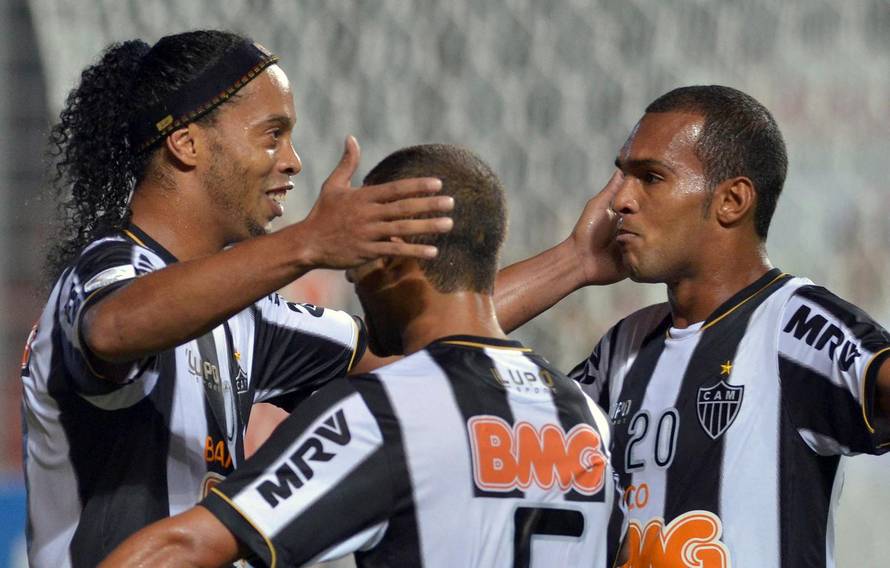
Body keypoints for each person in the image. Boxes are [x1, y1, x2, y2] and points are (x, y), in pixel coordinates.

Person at [20, 30, 455, 567]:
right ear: (187, 144)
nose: (293, 161)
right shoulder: (105, 270)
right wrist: (308, 243)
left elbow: (432, 338)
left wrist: (557, 266)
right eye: (273, 135)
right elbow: (114, 328)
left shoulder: (247, 317)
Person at [101, 144, 623, 568]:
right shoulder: (586, 416)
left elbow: (184, 548)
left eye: (362, 256)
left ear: (394, 257)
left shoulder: (384, 413)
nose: (352, 276)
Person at [495, 85, 890, 567]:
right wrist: (573, 260)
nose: (618, 201)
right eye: (622, 177)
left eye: (650, 177)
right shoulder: (625, 345)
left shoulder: (791, 325)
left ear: (732, 200)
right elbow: (441, 357)